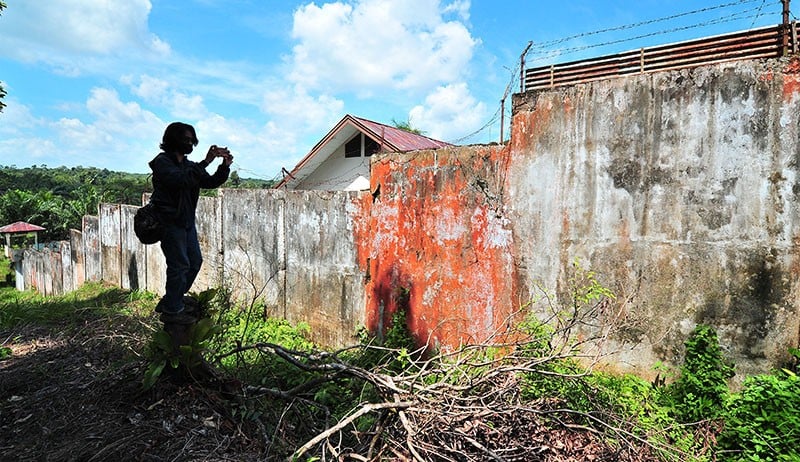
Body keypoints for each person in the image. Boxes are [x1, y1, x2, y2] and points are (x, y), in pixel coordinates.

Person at [148, 122, 232, 377]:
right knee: (179, 264)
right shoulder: (162, 163)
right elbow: (180, 181)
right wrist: (205, 161)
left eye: (191, 139)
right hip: (170, 223)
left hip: (186, 223)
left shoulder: (188, 166)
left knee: (194, 262)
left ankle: (171, 300)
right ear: (173, 139)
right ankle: (173, 308)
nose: (189, 142)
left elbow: (207, 183)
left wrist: (224, 166)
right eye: (185, 138)